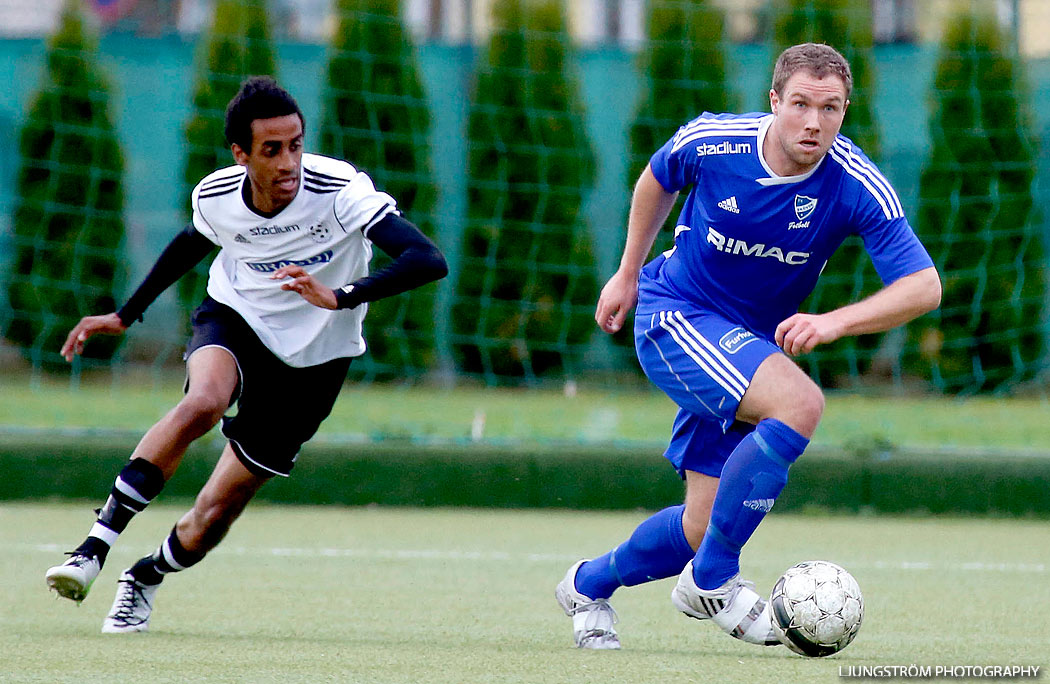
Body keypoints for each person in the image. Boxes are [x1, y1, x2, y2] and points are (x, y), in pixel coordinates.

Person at [555, 43, 941, 649]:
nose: (814, 122)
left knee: (701, 522)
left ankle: (586, 586)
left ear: (846, 111)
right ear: (774, 102)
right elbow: (658, 177)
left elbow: (924, 286)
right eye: (801, 105)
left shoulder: (854, 182)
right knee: (801, 405)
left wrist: (835, 322)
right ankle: (713, 581)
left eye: (831, 108)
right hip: (675, 315)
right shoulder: (713, 142)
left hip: (745, 346)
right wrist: (627, 272)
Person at [45, 76, 448, 633]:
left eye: (297, 145)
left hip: (315, 363)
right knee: (203, 403)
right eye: (272, 150)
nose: (289, 163)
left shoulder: (340, 190)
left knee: (212, 515)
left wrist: (339, 295)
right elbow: (192, 243)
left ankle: (145, 575)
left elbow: (427, 259)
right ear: (241, 154)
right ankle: (91, 548)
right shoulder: (216, 195)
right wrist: (125, 314)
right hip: (236, 320)